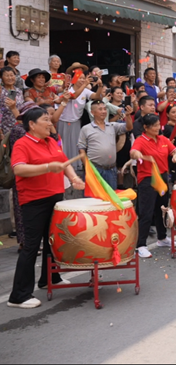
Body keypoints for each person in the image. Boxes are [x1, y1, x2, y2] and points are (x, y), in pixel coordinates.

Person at [7, 107, 85, 309]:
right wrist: (48, 167)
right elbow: (19, 168)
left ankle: (50, 278)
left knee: (52, 241)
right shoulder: (23, 144)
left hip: (55, 196)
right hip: (34, 200)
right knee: (31, 246)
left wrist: (74, 177)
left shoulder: (51, 141)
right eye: (45, 120)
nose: (50, 123)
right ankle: (19, 295)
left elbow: (64, 162)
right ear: (32, 125)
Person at [130, 114, 176, 258]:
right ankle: (141, 245)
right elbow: (134, 152)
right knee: (146, 212)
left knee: (162, 209)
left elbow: (175, 150)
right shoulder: (141, 140)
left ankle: (162, 238)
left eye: (159, 125)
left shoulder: (163, 139)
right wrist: (138, 155)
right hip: (148, 179)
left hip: (163, 178)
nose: (158, 128)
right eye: (154, 126)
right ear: (145, 128)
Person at [57, 69, 102, 198]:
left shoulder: (86, 91)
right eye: (80, 77)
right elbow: (74, 95)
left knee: (75, 147)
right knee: (63, 147)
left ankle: (74, 172)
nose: (83, 80)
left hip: (76, 122)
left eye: (84, 78)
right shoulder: (67, 89)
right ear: (73, 78)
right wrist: (84, 84)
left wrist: (100, 85)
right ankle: (63, 170)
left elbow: (97, 97)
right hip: (63, 121)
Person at [78, 100, 133, 189]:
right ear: (92, 112)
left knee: (110, 199)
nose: (104, 111)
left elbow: (128, 127)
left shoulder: (112, 126)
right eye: (100, 109)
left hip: (111, 169)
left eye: (104, 109)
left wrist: (128, 115)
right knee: (93, 198)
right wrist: (88, 167)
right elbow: (81, 149)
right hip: (94, 169)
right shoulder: (86, 129)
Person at [0, 66, 24, 136]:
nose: (10, 78)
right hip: (4, 127)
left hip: (18, 126)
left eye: (12, 75)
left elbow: (21, 109)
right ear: (1, 78)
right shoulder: (1, 91)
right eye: (7, 76)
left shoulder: (19, 91)